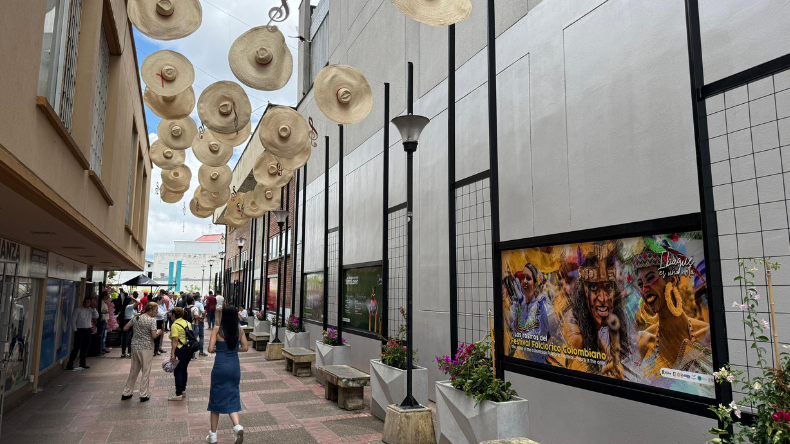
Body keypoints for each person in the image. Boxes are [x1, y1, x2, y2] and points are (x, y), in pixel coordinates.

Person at [634, 247, 711, 378]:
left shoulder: (705, 334)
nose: (644, 289)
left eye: (651, 278)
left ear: (672, 280)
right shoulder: (644, 341)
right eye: (640, 284)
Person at [563, 242, 630, 379]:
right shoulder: (576, 339)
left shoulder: (583, 317)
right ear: (583, 291)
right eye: (594, 288)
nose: (604, 298)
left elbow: (594, 336)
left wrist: (611, 359)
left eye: (608, 288)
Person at [205, 305, 248, 444]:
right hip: (234, 367)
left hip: (220, 367)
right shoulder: (240, 330)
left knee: (216, 398)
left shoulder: (217, 330)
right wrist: (234, 350)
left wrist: (220, 349)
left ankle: (213, 435)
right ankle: (237, 426)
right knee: (233, 394)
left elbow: (210, 349)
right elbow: (245, 348)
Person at [121, 302, 162, 402]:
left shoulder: (136, 318)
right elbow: (153, 336)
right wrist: (159, 332)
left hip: (135, 346)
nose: (156, 312)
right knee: (145, 371)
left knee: (133, 371)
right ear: (151, 309)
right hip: (146, 347)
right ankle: (143, 394)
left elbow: (125, 327)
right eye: (156, 310)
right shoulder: (152, 320)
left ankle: (127, 392)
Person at [66, 298, 99, 370]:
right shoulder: (78, 310)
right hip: (80, 330)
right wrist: (75, 330)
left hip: (88, 330)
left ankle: (82, 363)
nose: (87, 303)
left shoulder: (91, 310)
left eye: (88, 302)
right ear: (83, 302)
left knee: (85, 347)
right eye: (85, 302)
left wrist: (94, 309)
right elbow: (73, 320)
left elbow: (96, 316)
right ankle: (70, 364)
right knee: (76, 347)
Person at [169, 307, 192, 401]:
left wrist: (172, 354)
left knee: (178, 371)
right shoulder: (188, 323)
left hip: (179, 349)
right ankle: (183, 389)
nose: (170, 316)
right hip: (188, 349)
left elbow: (175, 339)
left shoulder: (175, 325)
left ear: (174, 315)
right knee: (184, 369)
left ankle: (178, 394)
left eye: (171, 314)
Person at [120, 291, 139, 358]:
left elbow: (135, 313)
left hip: (126, 321)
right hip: (130, 322)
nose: (132, 301)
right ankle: (129, 352)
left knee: (125, 337)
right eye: (131, 300)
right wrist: (133, 298)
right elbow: (138, 302)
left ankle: (124, 352)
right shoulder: (129, 306)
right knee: (130, 337)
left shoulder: (126, 307)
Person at [154, 291, 168, 355]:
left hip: (160, 321)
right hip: (157, 321)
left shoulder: (159, 306)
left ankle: (157, 349)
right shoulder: (156, 306)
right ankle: (156, 349)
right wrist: (166, 312)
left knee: (159, 336)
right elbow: (160, 314)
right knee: (157, 336)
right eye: (162, 299)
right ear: (158, 300)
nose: (163, 299)